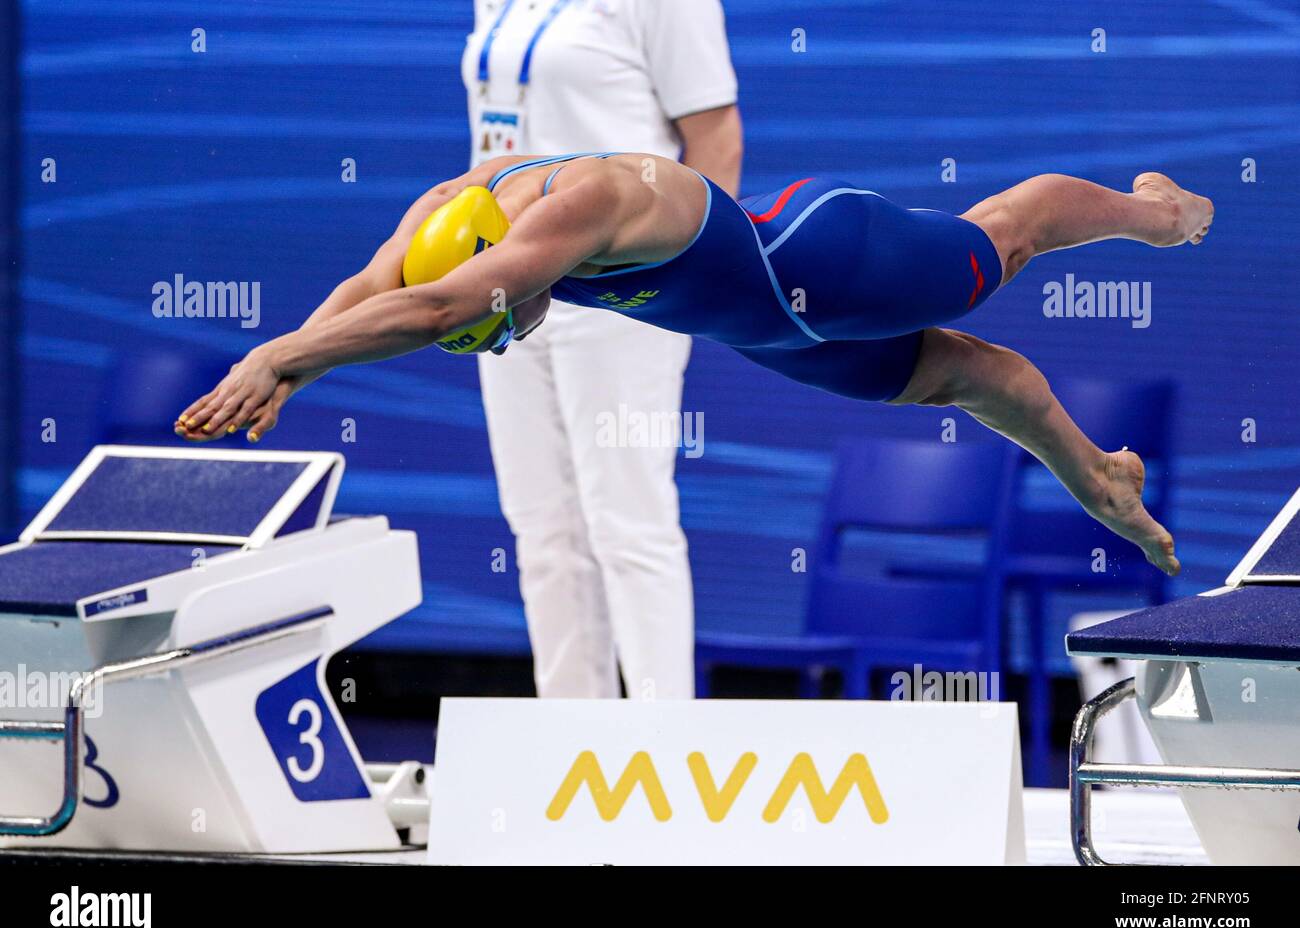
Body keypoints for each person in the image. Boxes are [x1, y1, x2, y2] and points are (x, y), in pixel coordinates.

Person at [174, 151, 1214, 577]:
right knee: (974, 378)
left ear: (505, 259)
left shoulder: (580, 202)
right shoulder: (450, 212)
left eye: (507, 317)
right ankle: (1102, 474)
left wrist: (280, 351)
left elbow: (446, 303)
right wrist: (289, 366)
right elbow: (380, 290)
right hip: (763, 331)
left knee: (1005, 235)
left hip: (823, 259)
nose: (512, 329)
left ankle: (1151, 212)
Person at [459, 0, 741, 700]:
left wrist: (685, 279)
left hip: (621, 286)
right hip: (508, 282)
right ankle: (568, 746)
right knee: (543, 529)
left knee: (627, 523)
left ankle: (662, 745)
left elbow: (717, 139)